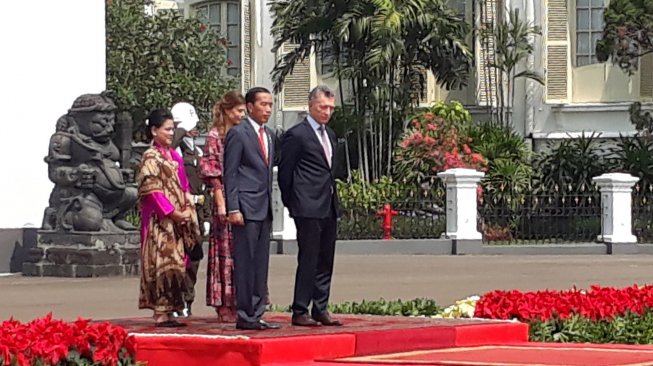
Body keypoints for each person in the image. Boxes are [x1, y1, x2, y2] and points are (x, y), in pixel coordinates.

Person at [278, 86, 342, 327]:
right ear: (311, 106)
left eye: (330, 108)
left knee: (326, 258)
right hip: (306, 205)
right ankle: (300, 309)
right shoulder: (298, 134)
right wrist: (292, 201)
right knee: (309, 257)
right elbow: (286, 172)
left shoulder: (331, 135)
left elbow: (330, 170)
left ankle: (321, 307)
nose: (327, 112)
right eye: (322, 107)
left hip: (328, 204)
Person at [223, 87, 280, 330]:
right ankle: (245, 314)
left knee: (260, 264)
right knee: (245, 263)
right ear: (249, 107)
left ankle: (257, 312)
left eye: (270, 104)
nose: (267, 109)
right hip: (245, 208)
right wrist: (233, 207)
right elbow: (231, 173)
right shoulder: (239, 133)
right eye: (263, 104)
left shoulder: (268, 135)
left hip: (263, 207)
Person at [137, 109, 198, 327]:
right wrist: (171, 212)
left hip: (178, 221)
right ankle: (160, 312)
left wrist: (186, 210)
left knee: (179, 264)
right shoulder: (150, 157)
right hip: (159, 223)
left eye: (173, 129)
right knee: (161, 263)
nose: (171, 133)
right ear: (154, 131)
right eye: (167, 129)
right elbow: (152, 190)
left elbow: (184, 186)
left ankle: (172, 309)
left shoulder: (173, 156)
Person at [200, 91, 246, 322]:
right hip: (224, 199)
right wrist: (220, 201)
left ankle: (241, 299)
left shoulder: (240, 134)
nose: (241, 115)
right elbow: (212, 172)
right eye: (238, 111)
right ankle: (224, 302)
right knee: (224, 251)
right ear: (228, 111)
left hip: (241, 197)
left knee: (241, 252)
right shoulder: (214, 137)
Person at [170, 102, 207, 317]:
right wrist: (179, 130)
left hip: (197, 212)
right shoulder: (174, 150)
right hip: (179, 212)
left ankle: (187, 300)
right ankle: (176, 301)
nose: (195, 129)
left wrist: (207, 215)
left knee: (194, 257)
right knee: (178, 259)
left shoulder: (197, 150)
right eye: (188, 126)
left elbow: (205, 186)